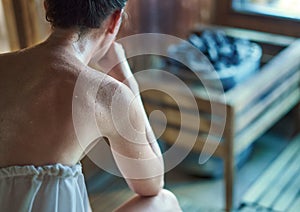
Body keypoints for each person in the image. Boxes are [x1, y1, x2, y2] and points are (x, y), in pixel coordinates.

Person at [0, 0, 182, 211]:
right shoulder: (107, 95)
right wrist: (127, 82)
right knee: (164, 202)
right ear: (115, 20)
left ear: (47, 6)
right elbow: (152, 182)